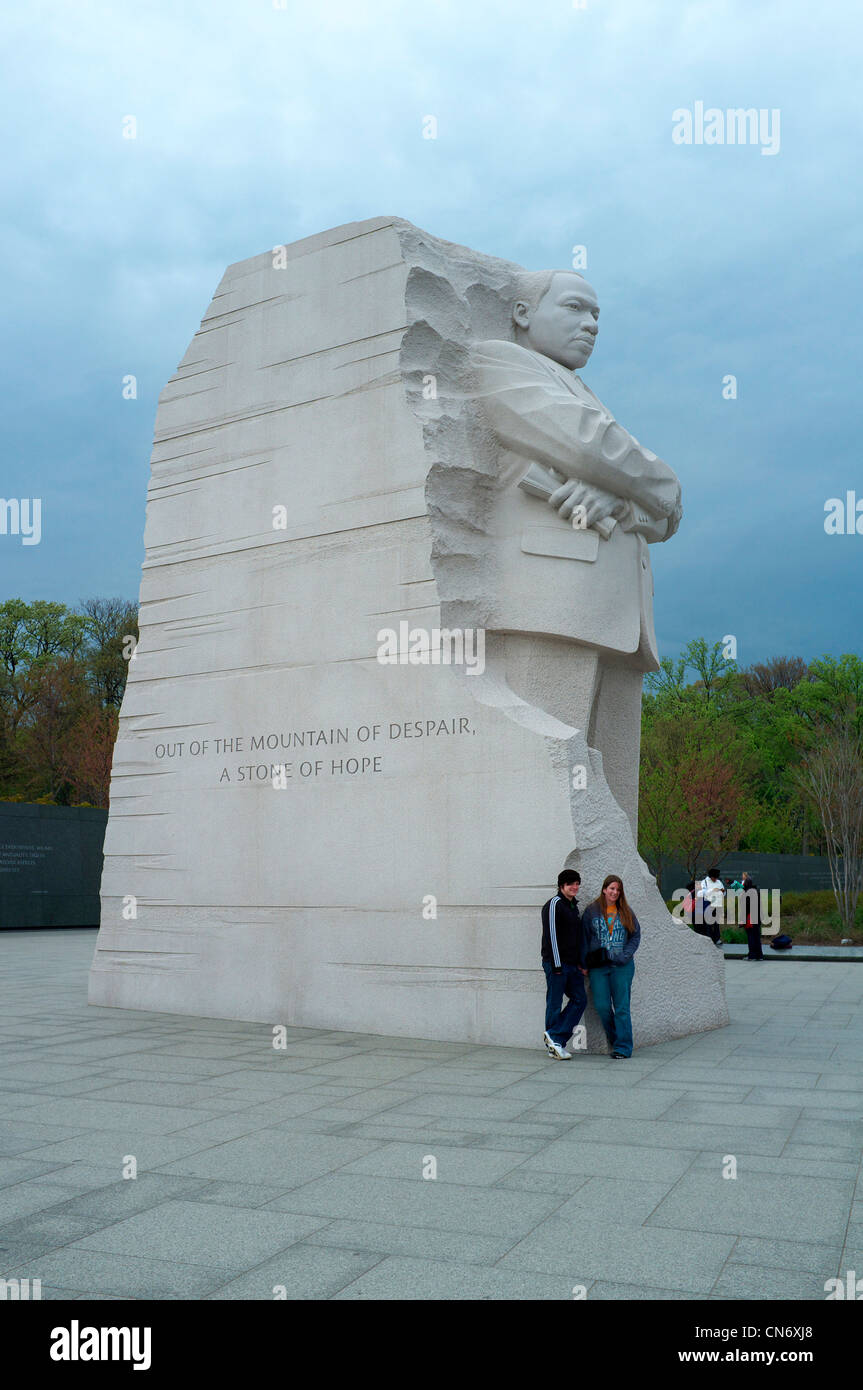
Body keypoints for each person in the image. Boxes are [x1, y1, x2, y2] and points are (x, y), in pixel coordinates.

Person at [580, 874, 641, 1058]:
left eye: (618, 889)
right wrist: (583, 963)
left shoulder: (626, 911)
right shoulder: (592, 911)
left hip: (622, 967)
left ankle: (623, 1048)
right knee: (602, 1006)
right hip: (599, 967)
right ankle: (616, 1039)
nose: (614, 892)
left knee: (622, 1007)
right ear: (604, 889)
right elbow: (584, 938)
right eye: (611, 888)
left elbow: (635, 936)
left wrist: (625, 955)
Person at [541, 870, 588, 1059]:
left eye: (577, 883)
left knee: (580, 999)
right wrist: (557, 966)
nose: (574, 887)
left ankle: (555, 1038)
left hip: (572, 965)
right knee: (554, 1003)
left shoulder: (572, 907)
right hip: (556, 965)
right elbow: (551, 936)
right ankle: (554, 1045)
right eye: (570, 884)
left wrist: (579, 962)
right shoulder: (554, 905)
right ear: (561, 885)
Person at [698, 867, 725, 947]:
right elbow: (702, 893)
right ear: (711, 876)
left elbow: (723, 892)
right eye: (714, 878)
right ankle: (710, 939)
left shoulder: (719, 882)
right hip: (708, 904)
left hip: (717, 904)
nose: (715, 879)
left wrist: (722, 892)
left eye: (716, 878)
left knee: (716, 923)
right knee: (709, 923)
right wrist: (714, 890)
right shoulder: (704, 882)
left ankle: (717, 939)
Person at [741, 870, 764, 961]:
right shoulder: (756, 892)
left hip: (750, 918)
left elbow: (745, 908)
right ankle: (759, 955)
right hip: (757, 918)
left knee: (751, 937)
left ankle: (752, 955)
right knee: (757, 937)